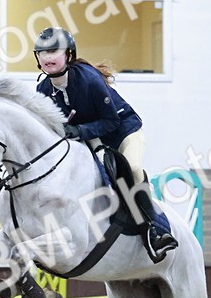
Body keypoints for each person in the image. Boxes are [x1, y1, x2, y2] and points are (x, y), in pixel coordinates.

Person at [33, 27, 178, 263]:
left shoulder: (88, 80)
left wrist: (79, 130)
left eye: (53, 51)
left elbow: (111, 121)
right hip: (91, 139)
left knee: (130, 168)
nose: (47, 57)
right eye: (42, 53)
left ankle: (155, 228)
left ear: (69, 55)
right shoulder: (42, 91)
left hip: (122, 132)